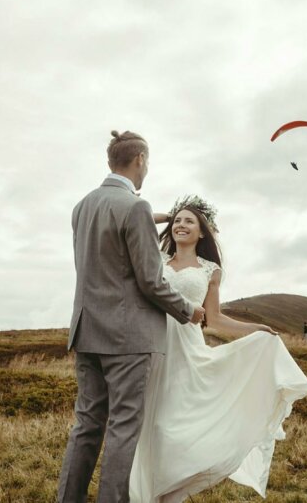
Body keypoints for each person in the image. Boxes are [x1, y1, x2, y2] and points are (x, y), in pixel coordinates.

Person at [129, 195, 307, 503]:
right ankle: (150, 493)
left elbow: (214, 318)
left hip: (187, 354)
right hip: (152, 347)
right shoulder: (156, 259)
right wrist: (167, 214)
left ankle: (169, 494)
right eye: (177, 221)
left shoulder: (210, 270)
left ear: (203, 232)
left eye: (189, 221)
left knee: (176, 429)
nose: (181, 225)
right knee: (154, 427)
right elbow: (135, 220)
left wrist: (254, 329)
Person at [58, 130, 206, 503]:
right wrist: (189, 311)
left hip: (87, 330)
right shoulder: (135, 208)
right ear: (140, 160)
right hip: (128, 339)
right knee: (124, 428)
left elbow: (112, 242)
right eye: (148, 162)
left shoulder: (83, 206)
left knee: (87, 425)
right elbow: (151, 282)